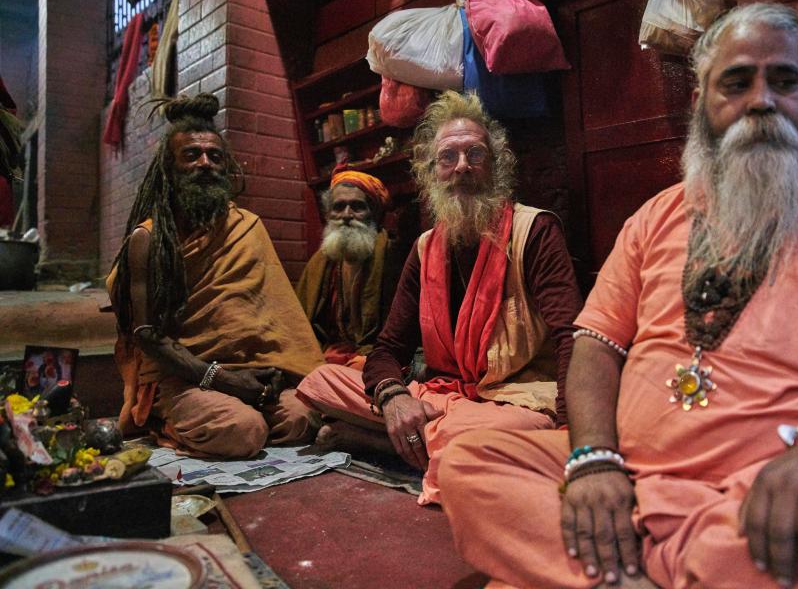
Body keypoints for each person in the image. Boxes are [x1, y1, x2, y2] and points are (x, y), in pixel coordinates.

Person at [438, 1, 798, 588]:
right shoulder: (655, 216)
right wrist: (593, 460)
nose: (761, 100)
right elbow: (593, 344)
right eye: (736, 83)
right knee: (470, 459)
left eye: (785, 81)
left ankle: (611, 571)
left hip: (770, 498)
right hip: (628, 480)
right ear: (701, 106)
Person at [296, 91, 582, 505]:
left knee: (472, 434)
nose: (462, 166)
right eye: (448, 157)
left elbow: (572, 338)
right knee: (323, 380)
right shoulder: (424, 248)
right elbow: (389, 348)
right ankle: (422, 437)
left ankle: (384, 442)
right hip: (444, 397)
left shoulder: (534, 232)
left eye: (475, 155)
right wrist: (394, 398)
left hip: (517, 402)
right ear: (431, 173)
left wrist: (570, 438)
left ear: (496, 166)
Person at [107, 94, 325, 459]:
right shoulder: (148, 239)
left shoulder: (247, 226)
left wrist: (267, 373)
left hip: (254, 374)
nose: (205, 163)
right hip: (188, 375)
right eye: (191, 155)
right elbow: (147, 336)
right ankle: (166, 419)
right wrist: (222, 379)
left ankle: (241, 412)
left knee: (302, 419)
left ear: (226, 167)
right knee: (243, 432)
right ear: (169, 169)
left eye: (214, 156)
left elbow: (272, 318)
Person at [295, 170, 400, 369]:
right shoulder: (320, 262)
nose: (347, 215)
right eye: (339, 207)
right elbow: (301, 325)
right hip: (328, 353)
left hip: (374, 354)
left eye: (358, 207)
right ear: (328, 214)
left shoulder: (394, 257)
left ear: (374, 213)